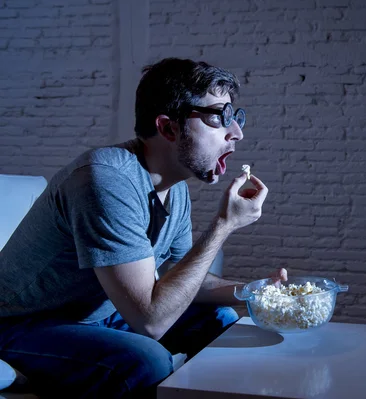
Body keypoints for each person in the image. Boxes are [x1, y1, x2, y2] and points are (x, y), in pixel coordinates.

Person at [0, 57, 286, 398]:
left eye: (234, 116)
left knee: (219, 320)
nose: (236, 132)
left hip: (102, 313)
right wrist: (224, 225)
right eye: (217, 116)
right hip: (22, 323)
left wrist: (252, 291)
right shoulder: (105, 180)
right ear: (167, 128)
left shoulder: (174, 187)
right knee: (145, 361)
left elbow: (178, 277)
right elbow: (150, 321)